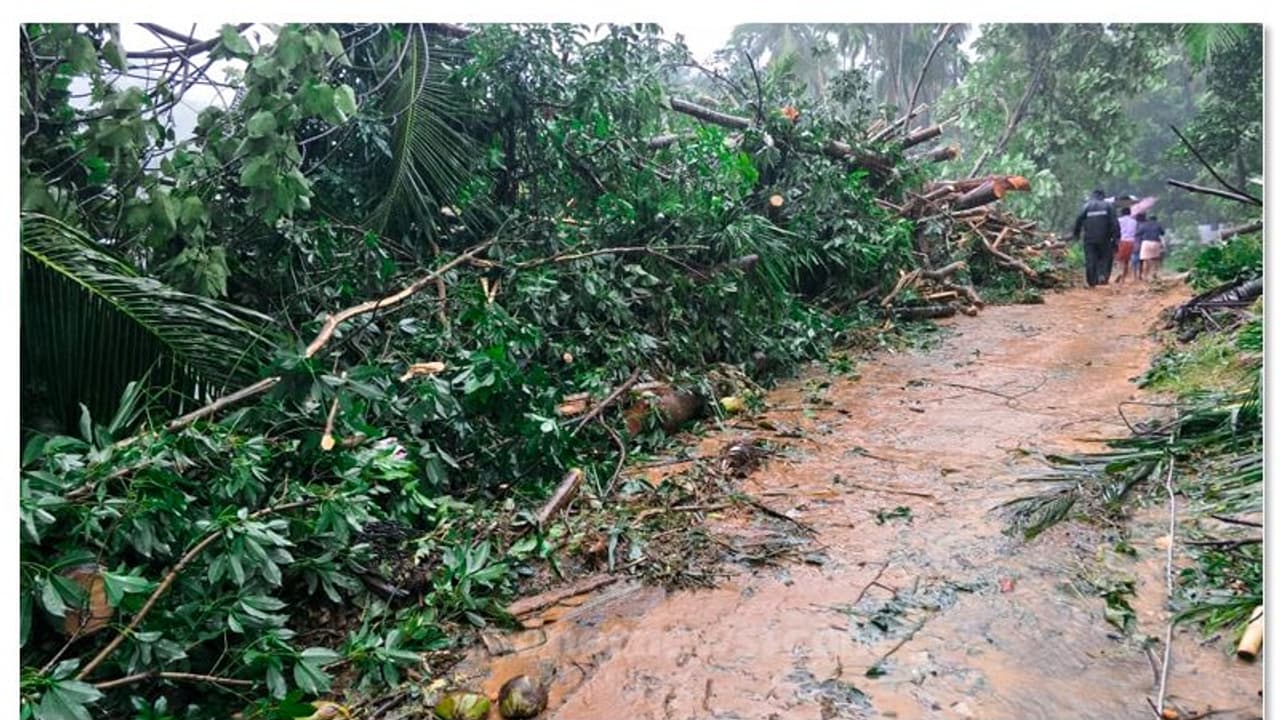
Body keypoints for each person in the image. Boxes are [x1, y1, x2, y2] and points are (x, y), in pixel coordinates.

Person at [1073, 189, 1120, 287]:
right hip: (1105, 238)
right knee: (1105, 258)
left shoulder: (1086, 206)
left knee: (1090, 259)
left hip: (1089, 238)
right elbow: (1115, 224)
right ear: (1103, 196)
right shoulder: (1108, 206)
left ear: (1093, 196)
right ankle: (1103, 276)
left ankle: (1091, 280)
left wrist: (1076, 234)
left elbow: (1078, 220)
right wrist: (1116, 238)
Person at [1135, 212, 1166, 281]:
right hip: (1155, 242)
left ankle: (1145, 276)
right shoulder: (1158, 225)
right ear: (1156, 219)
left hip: (1146, 243)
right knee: (1155, 259)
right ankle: (1154, 274)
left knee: (1145, 260)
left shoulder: (1144, 225)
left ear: (1149, 219)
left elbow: (1137, 233)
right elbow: (1163, 233)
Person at [1114, 206, 1137, 283]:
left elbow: (1115, 230)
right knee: (1127, 260)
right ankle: (1123, 278)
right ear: (1130, 213)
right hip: (1131, 242)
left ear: (1122, 213)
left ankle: (1119, 272)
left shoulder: (1119, 220)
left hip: (1121, 241)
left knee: (1119, 259)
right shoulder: (1134, 221)